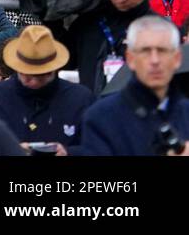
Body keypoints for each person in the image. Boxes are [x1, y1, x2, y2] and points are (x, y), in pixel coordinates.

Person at [79, 15, 189, 155]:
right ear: (130, 58)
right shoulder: (100, 118)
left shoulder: (186, 113)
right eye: (145, 51)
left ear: (177, 58)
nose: (154, 60)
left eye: (162, 50)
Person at [0, 25, 94, 153]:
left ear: (54, 68)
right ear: (17, 67)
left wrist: (68, 153)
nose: (34, 82)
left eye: (41, 75)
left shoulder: (81, 99)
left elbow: (97, 148)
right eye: (27, 74)